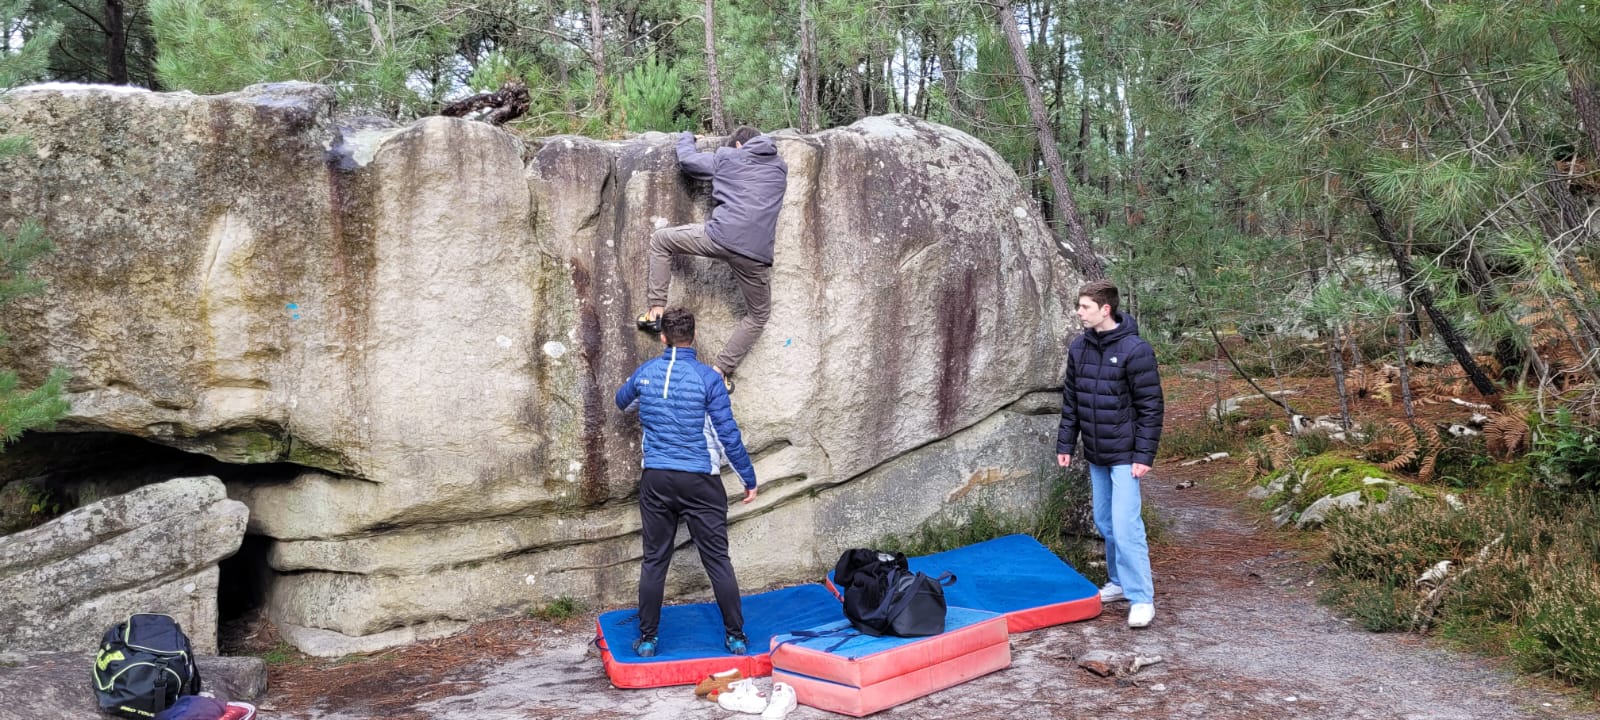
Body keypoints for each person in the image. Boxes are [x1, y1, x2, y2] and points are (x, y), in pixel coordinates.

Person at [615, 307, 759, 657]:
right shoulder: (709, 379)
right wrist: (748, 479)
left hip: (657, 480)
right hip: (700, 482)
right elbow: (728, 437)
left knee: (654, 560)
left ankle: (648, 640)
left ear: (662, 337)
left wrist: (653, 401)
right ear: (693, 337)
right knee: (717, 561)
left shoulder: (645, 373)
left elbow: (623, 402)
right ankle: (736, 638)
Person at [636, 126, 788, 393]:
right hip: (756, 253)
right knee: (758, 315)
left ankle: (656, 311)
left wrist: (687, 136)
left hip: (720, 236)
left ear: (739, 145)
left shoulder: (729, 157)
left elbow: (688, 161)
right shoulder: (779, 168)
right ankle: (719, 372)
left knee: (661, 240)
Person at [1056, 280, 1165, 628]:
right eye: (1079, 305)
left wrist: (1144, 456)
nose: (1078, 312)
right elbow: (1072, 399)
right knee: (1105, 522)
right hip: (1096, 452)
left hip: (1127, 455)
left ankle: (1141, 598)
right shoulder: (1079, 348)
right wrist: (1066, 444)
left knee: (1126, 525)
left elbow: (1151, 407)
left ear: (1105, 309)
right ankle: (1118, 582)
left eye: (1084, 306)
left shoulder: (1136, 350)